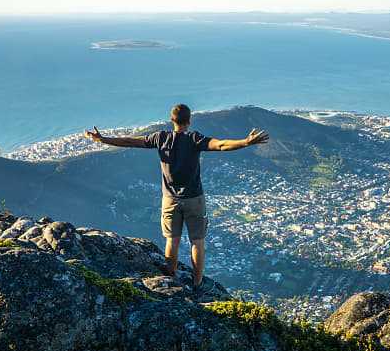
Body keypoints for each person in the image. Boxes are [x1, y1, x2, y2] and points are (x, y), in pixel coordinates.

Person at [84, 103, 269, 293]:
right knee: (197, 241)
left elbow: (131, 141)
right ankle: (197, 282)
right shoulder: (194, 139)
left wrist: (103, 139)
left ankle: (170, 273)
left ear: (172, 120)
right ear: (189, 121)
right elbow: (220, 145)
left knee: (172, 239)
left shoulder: (160, 138)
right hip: (194, 198)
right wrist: (245, 142)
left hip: (170, 199)